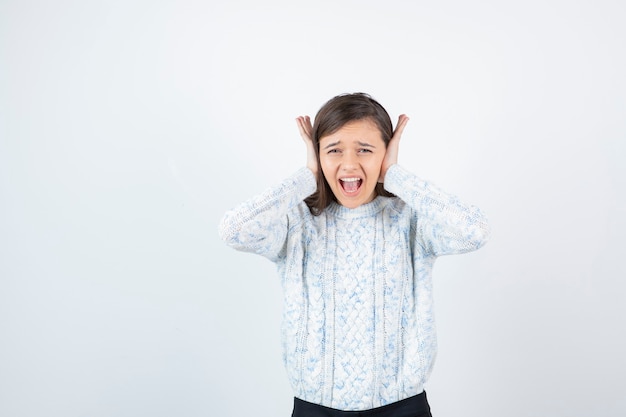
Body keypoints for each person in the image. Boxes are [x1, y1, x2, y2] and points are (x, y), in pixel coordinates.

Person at [219, 93, 490, 417]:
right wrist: (307, 175)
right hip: (314, 409)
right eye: (334, 150)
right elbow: (234, 230)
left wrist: (395, 175)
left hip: (402, 409)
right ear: (318, 155)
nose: (349, 164)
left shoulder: (410, 220)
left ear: (385, 153)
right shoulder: (297, 224)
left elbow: (474, 231)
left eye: (365, 149)